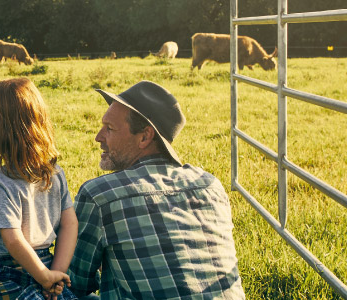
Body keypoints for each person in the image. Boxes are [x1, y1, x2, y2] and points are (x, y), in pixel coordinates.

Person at [67, 80, 245, 299]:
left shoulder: (100, 195)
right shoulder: (210, 185)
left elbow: (74, 282)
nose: (98, 137)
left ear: (145, 136)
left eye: (109, 129)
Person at [0, 78, 78, 300]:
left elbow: (12, 240)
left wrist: (46, 276)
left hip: (9, 275)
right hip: (47, 264)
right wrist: (54, 274)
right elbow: (70, 224)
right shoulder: (55, 172)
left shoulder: (0, 181)